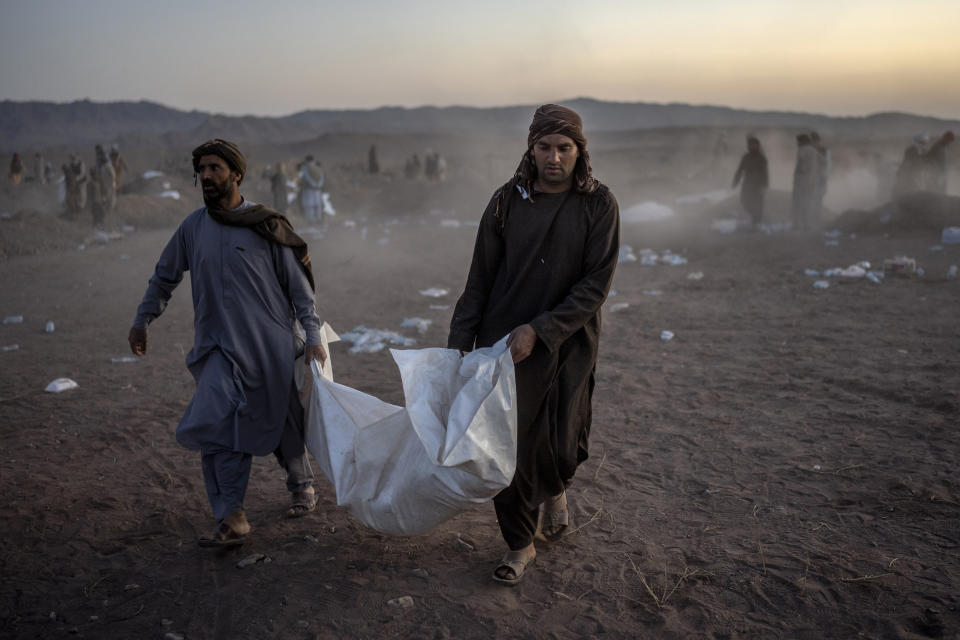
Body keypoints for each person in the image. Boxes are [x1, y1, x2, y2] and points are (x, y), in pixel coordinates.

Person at [447, 104, 620, 585]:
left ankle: (557, 487)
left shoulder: (598, 205)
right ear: (531, 148)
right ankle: (520, 545)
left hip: (569, 341)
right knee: (510, 447)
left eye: (564, 148)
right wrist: (458, 346)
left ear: (579, 151)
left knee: (562, 441)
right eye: (544, 147)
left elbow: (594, 285)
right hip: (506, 346)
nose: (554, 157)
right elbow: (479, 279)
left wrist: (542, 329)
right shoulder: (506, 202)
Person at [128, 139, 327, 547]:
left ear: (236, 174)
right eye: (201, 169)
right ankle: (231, 514)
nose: (206, 176)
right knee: (217, 424)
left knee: (281, 418)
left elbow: (300, 290)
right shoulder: (193, 228)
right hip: (218, 350)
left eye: (215, 168)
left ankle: (300, 481)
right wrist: (142, 319)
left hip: (269, 346)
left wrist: (311, 335)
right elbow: (165, 276)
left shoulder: (265, 226)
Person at [731, 135, 769, 229]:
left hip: (758, 184)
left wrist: (764, 186)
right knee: (744, 201)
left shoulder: (761, 158)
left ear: (758, 146)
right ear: (748, 146)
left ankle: (756, 222)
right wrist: (735, 181)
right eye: (750, 145)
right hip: (747, 183)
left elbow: (765, 173)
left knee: (758, 203)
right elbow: (740, 170)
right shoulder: (746, 157)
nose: (752, 147)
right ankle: (755, 217)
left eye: (754, 145)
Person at [791, 133, 819, 230]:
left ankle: (797, 223)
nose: (797, 143)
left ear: (802, 141)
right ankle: (806, 223)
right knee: (807, 201)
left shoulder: (803, 150)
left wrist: (797, 178)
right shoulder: (813, 150)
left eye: (798, 141)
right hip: (810, 179)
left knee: (798, 202)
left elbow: (802, 165)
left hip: (802, 178)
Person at [298, 155, 325, 224]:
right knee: (317, 206)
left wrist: (313, 184)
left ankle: (311, 221)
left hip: (308, 190)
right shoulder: (318, 168)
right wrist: (318, 185)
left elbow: (306, 177)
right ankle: (319, 220)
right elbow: (322, 178)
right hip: (318, 190)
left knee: (309, 206)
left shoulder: (305, 168)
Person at [810, 131, 830, 220]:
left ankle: (817, 216)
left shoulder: (823, 151)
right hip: (813, 176)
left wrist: (825, 175)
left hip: (820, 176)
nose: (814, 142)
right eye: (813, 140)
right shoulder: (810, 150)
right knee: (813, 198)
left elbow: (827, 164)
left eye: (815, 140)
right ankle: (814, 216)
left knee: (818, 197)